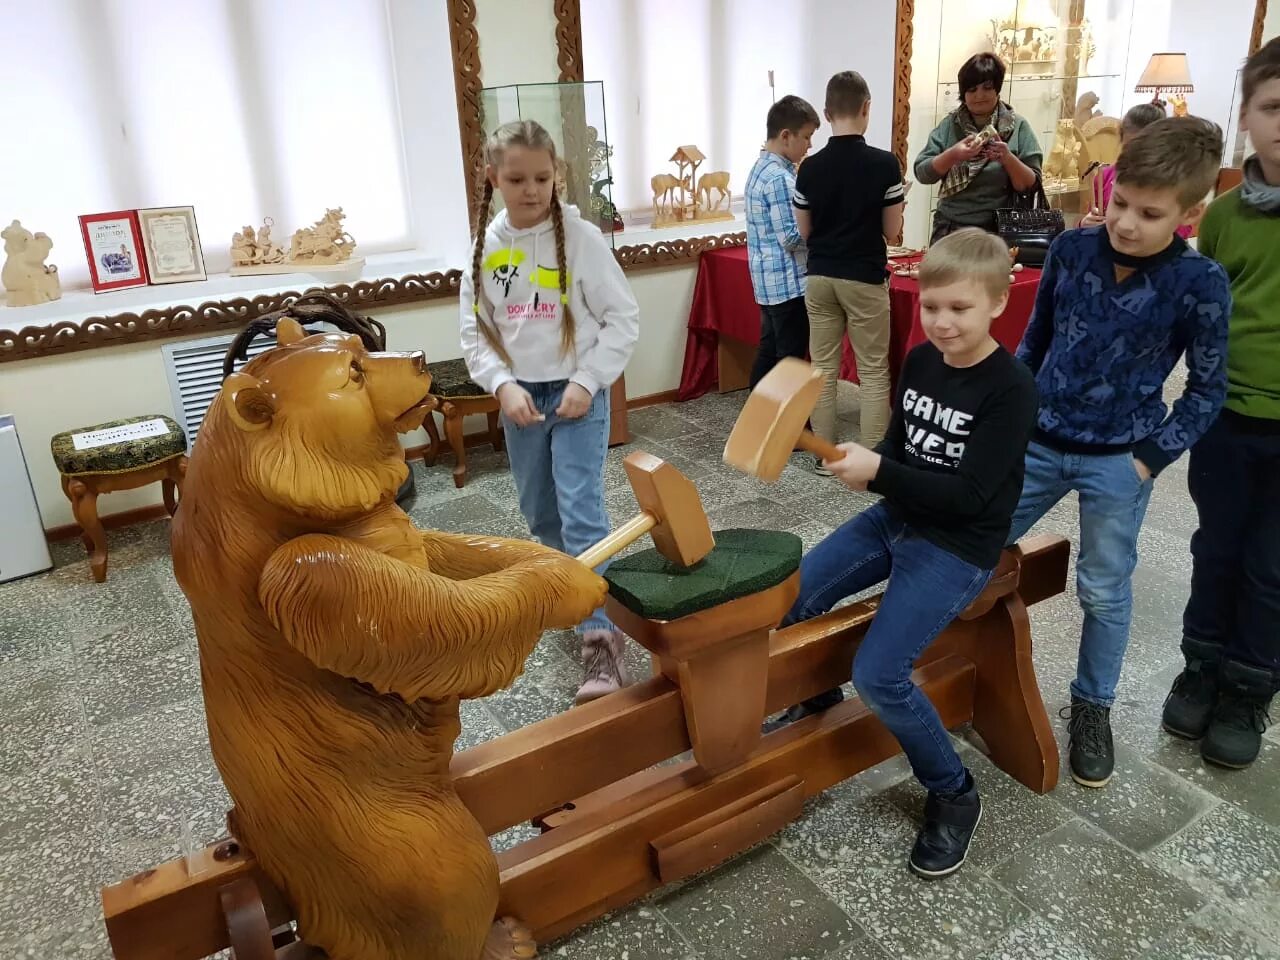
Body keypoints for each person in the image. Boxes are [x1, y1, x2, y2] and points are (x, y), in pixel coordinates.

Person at [762, 229, 1037, 877]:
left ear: (998, 302)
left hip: (958, 545)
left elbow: (971, 497)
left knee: (881, 674)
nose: (941, 322)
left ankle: (952, 791)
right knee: (793, 598)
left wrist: (879, 474)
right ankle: (816, 694)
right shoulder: (919, 361)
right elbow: (901, 449)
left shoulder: (1011, 388)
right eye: (932, 306)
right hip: (898, 518)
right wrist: (872, 463)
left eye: (959, 309)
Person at [1008, 117, 1231, 789]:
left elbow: (1206, 389)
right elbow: (1034, 341)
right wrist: (1010, 419)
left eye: (1149, 213)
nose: (1127, 222)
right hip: (1040, 440)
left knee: (1104, 588)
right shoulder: (1072, 250)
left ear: (1190, 213)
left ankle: (1092, 704)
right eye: (1120, 202)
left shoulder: (1201, 282)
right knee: (971, 543)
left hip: (1119, 457)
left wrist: (1147, 460)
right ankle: (960, 664)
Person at [460, 119, 640, 704]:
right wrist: (501, 386)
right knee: (541, 515)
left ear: (556, 174)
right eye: (516, 178)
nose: (531, 189)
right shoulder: (486, 249)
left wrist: (589, 381)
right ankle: (569, 594)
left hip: (576, 395)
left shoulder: (582, 240)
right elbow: (475, 332)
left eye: (542, 177)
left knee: (580, 510)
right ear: (494, 178)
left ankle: (603, 644)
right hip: (522, 399)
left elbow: (622, 319)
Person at [1163, 38, 1280, 770]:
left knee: (1273, 566)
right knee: (1218, 547)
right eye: (1272, 107)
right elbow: (1203, 317)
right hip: (1228, 417)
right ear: (1247, 116)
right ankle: (1201, 664)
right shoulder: (1227, 216)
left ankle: (1249, 685)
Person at [794, 70, 905, 468]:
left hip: (820, 276)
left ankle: (826, 457)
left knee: (821, 369)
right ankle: (870, 464)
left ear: (826, 114)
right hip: (864, 275)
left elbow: (805, 231)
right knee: (873, 371)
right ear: (866, 109)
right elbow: (892, 232)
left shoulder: (808, 168)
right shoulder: (885, 165)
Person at [915, 53, 1043, 242]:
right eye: (972, 89)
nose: (979, 95)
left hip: (999, 231)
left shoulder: (1018, 127)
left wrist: (1007, 158)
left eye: (987, 88)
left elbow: (1031, 185)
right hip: (949, 228)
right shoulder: (950, 125)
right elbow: (922, 173)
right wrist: (953, 155)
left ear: (997, 89)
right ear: (963, 93)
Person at [745, 94, 820, 387]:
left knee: (770, 351)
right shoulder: (780, 178)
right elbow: (791, 237)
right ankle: (791, 428)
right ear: (786, 136)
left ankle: (760, 422)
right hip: (788, 285)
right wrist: (822, 226)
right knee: (790, 360)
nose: (810, 145)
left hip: (768, 283)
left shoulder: (760, 169)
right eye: (807, 137)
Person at [1080, 102, 1193, 238]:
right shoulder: (1104, 176)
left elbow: (1181, 232)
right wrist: (1085, 224)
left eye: (1144, 150)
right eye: (1130, 148)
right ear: (1121, 140)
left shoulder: (1173, 184)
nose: (1135, 157)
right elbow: (1090, 219)